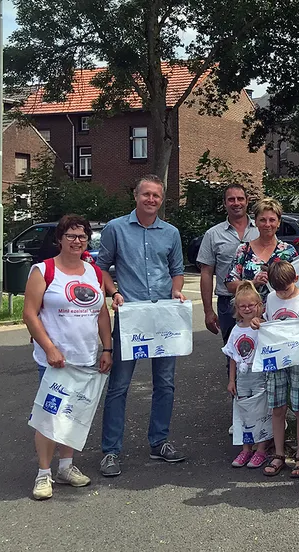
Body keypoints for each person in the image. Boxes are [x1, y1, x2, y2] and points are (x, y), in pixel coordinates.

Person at [97, 174, 187, 477]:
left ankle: (159, 441)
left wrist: (176, 290)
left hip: (163, 317)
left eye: (156, 196)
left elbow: (176, 270)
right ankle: (110, 451)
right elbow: (101, 268)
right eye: (146, 195)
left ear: (162, 200)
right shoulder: (115, 229)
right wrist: (114, 292)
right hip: (131, 318)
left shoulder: (171, 232)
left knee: (165, 383)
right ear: (135, 196)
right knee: (119, 386)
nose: (151, 200)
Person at [22, 214, 113, 500]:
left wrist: (107, 348)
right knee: (48, 415)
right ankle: (43, 473)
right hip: (55, 360)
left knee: (74, 415)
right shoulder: (43, 270)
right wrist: (49, 347)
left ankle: (66, 467)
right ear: (59, 239)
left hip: (85, 357)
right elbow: (29, 313)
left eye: (82, 236)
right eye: (71, 236)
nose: (77, 241)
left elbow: (101, 312)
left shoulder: (93, 272)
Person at [259, 261, 299, 478]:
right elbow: (267, 322)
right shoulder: (272, 298)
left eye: (285, 288)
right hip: (276, 360)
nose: (282, 293)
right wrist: (258, 322)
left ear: (296, 280)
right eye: (278, 289)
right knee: (277, 407)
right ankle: (279, 454)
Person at [198, 184, 259, 353]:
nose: (236, 203)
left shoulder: (261, 230)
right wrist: (208, 311)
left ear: (247, 201)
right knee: (233, 354)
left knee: (261, 351)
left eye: (240, 199)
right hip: (228, 303)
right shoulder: (213, 234)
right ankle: (232, 381)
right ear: (225, 203)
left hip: (258, 301)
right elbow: (207, 273)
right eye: (231, 199)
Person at [224, 281, 269, 468]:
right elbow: (233, 357)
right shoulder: (236, 330)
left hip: (260, 375)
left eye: (251, 305)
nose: (247, 309)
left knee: (261, 411)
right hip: (242, 377)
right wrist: (231, 380)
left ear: (259, 305)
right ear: (237, 308)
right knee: (243, 412)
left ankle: (261, 449)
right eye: (243, 306)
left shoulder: (264, 327)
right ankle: (245, 449)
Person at [225, 198, 298, 303]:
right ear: (256, 222)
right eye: (263, 220)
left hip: (282, 314)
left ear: (278, 223)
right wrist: (253, 282)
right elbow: (230, 285)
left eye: (272, 220)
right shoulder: (243, 250)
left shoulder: (288, 252)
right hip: (249, 314)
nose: (267, 224)